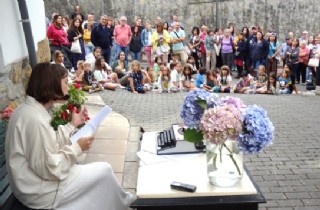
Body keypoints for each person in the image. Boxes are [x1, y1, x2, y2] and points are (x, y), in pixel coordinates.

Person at [5, 62, 133, 209]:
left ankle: (122, 202)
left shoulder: (31, 110)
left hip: (36, 183)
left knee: (99, 177)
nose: (69, 86)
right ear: (51, 84)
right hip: (40, 192)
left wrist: (73, 124)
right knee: (104, 171)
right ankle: (125, 202)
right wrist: (77, 148)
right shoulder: (34, 119)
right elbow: (50, 168)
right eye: (65, 81)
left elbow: (50, 140)